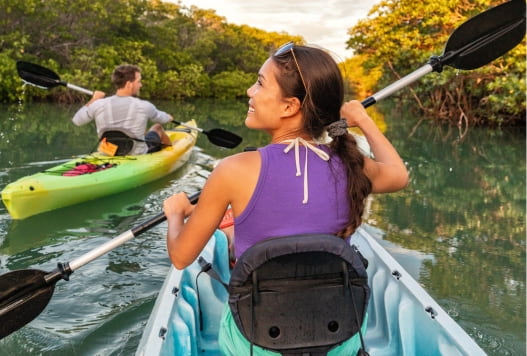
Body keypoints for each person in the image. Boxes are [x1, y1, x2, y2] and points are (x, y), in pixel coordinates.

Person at [163, 42, 409, 355]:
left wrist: (175, 213)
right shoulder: (351, 163)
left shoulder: (233, 170)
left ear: (289, 106)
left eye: (260, 83)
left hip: (256, 343)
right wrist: (362, 119)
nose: (250, 91)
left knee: (230, 237)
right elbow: (399, 175)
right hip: (337, 340)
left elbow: (182, 257)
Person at [72, 64, 173, 155]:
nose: (140, 85)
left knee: (142, 132)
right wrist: (169, 117)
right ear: (129, 84)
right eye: (138, 81)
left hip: (108, 152)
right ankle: (171, 155)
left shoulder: (98, 104)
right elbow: (162, 119)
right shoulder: (144, 106)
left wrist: (93, 99)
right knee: (157, 127)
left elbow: (77, 121)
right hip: (136, 154)